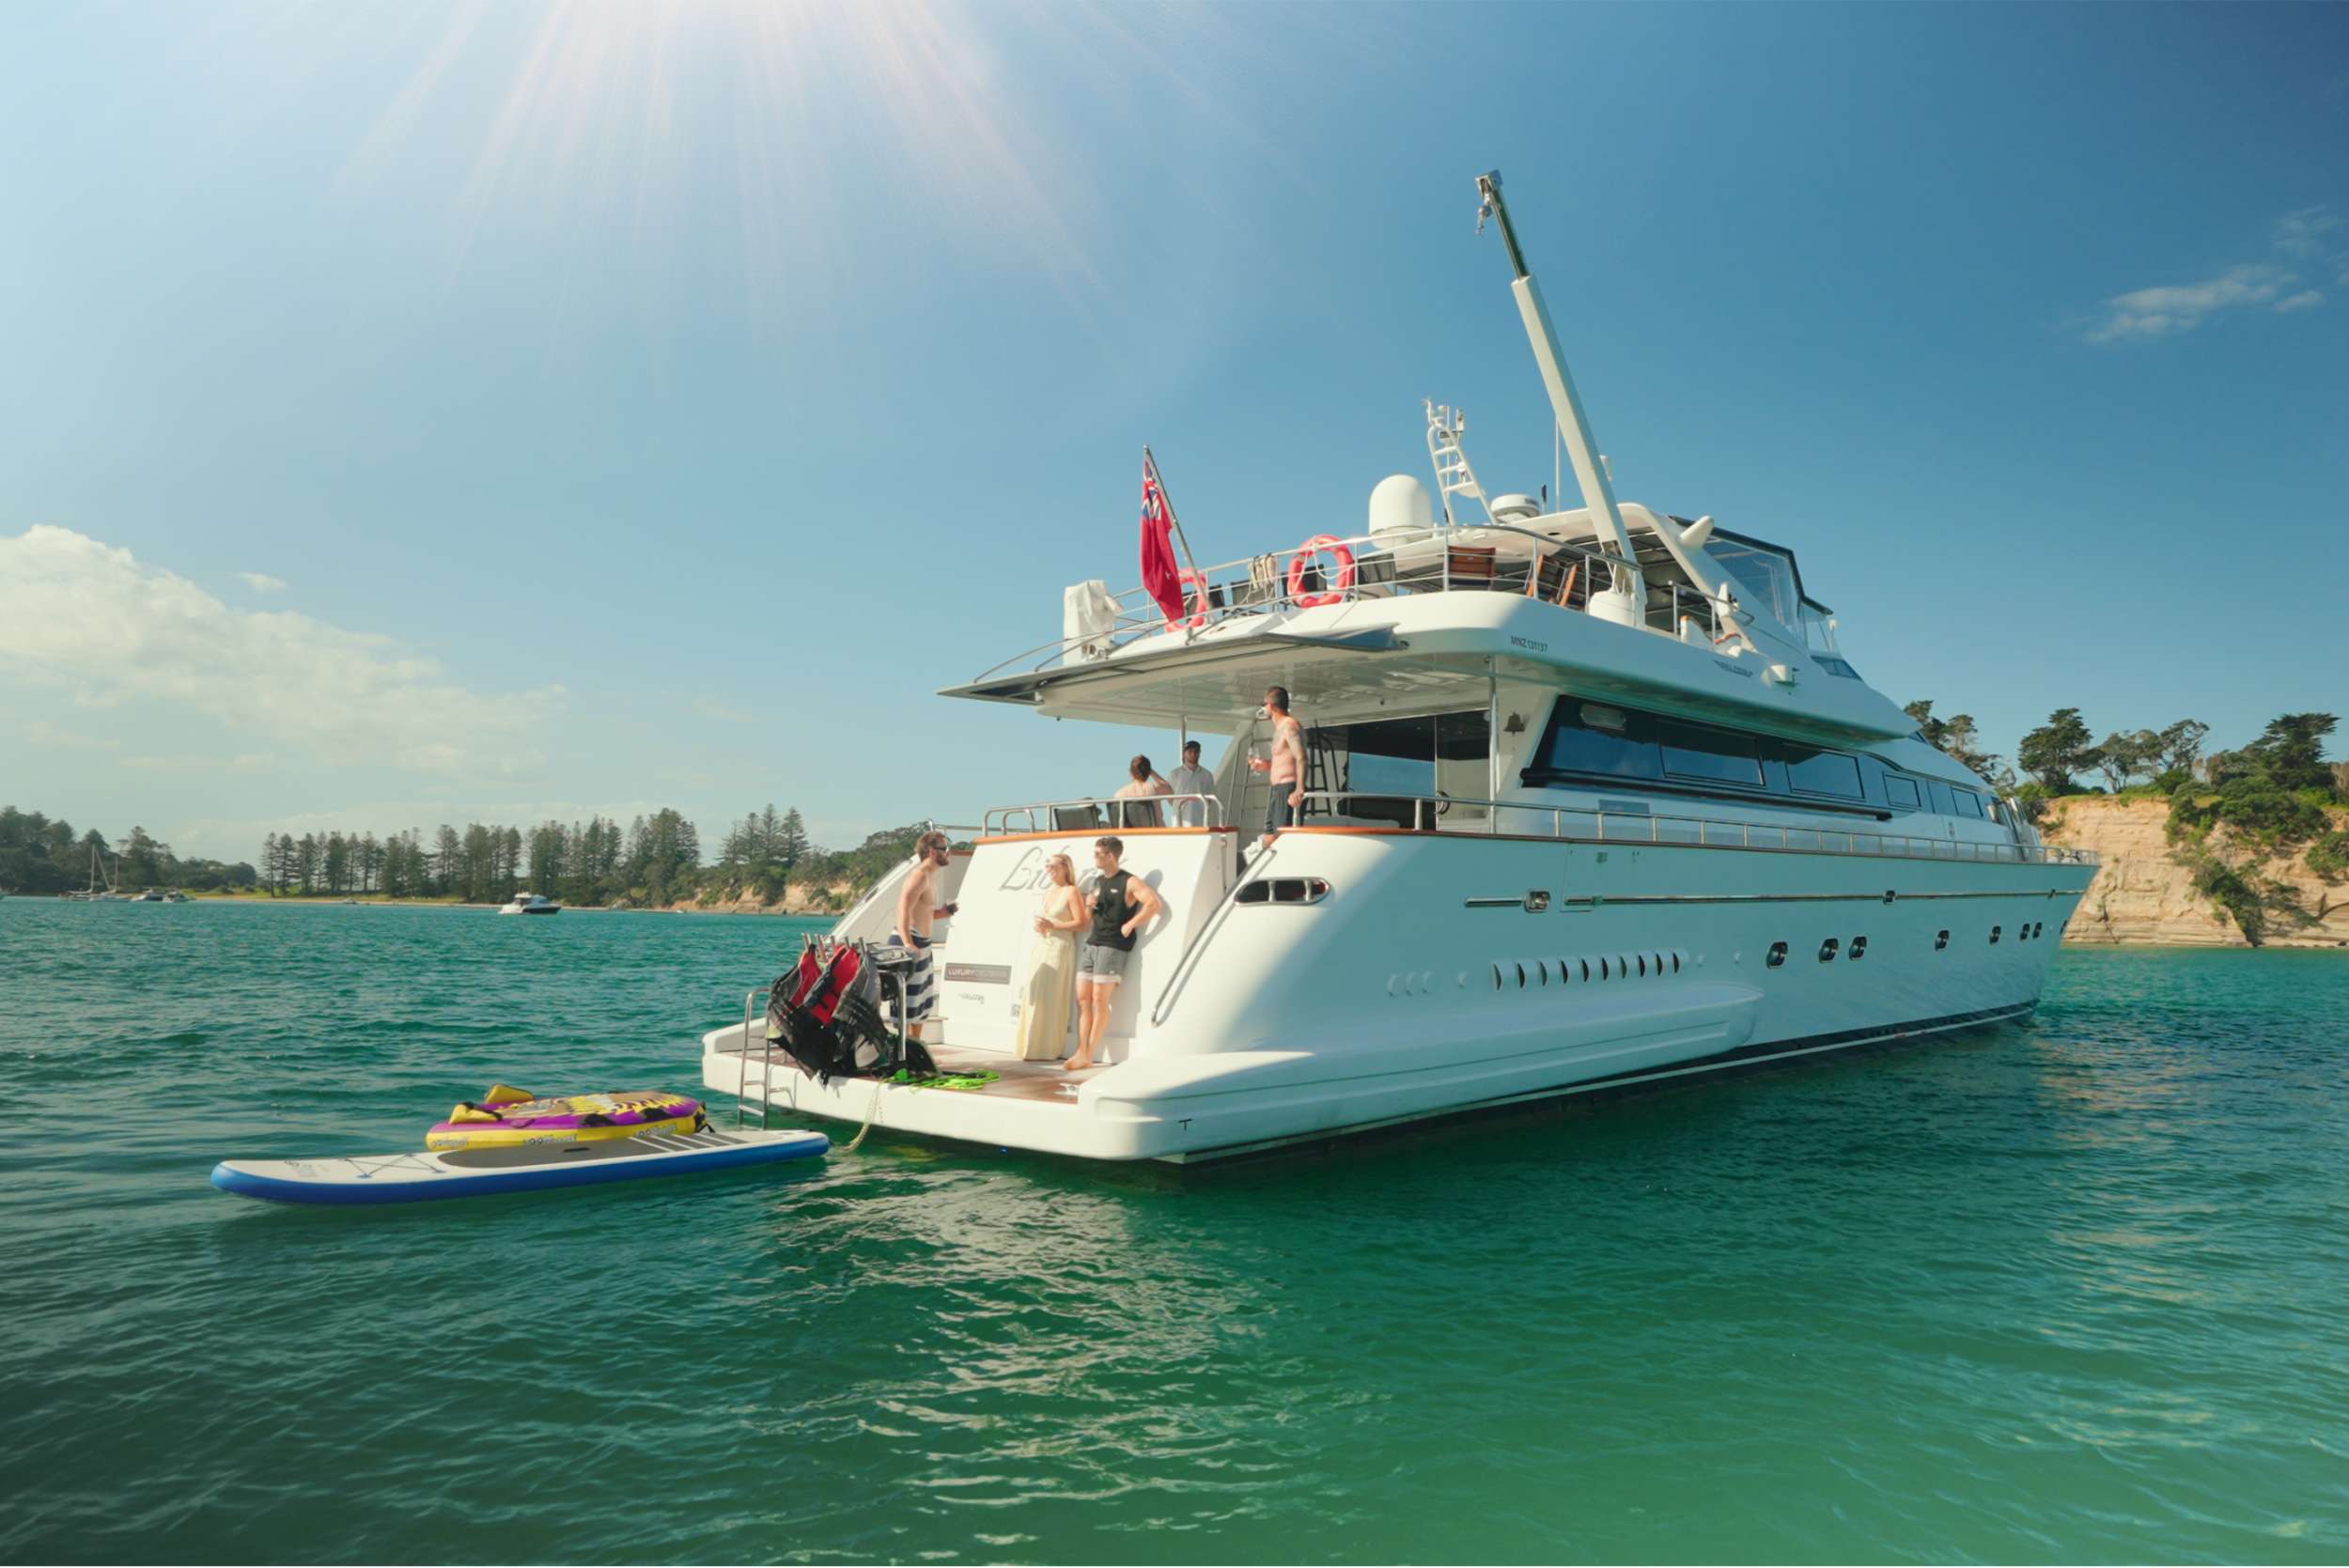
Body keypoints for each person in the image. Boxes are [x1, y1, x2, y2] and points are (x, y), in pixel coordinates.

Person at [1067, 835, 1163, 1072]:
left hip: (1113, 946)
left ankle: (1088, 1054)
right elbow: (1089, 920)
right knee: (1083, 1000)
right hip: (1092, 943)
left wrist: (1131, 924)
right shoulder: (1098, 881)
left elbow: (1153, 904)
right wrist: (1089, 905)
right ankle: (1081, 1051)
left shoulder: (1129, 881)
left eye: (1097, 854)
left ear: (1110, 855)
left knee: (1100, 1000)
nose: (1094, 857)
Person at [1013, 853, 1083, 1061]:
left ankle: (1046, 1049)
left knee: (1051, 996)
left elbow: (1081, 923)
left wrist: (1054, 925)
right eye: (1047, 866)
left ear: (1065, 867)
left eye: (1053, 866)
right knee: (1035, 995)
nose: (1049, 869)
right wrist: (1042, 926)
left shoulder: (1071, 891)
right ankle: (1029, 1046)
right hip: (1042, 945)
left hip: (1060, 948)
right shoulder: (1047, 892)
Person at [891, 830, 959, 1043]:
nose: (948, 852)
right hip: (911, 942)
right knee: (907, 1002)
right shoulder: (919, 876)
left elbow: (924, 911)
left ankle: (915, 1047)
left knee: (921, 1002)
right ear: (932, 852)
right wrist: (908, 943)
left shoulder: (930, 876)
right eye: (944, 849)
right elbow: (902, 908)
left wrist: (944, 913)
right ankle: (902, 1051)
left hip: (923, 943)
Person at [1245, 685, 1306, 850]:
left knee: (1282, 840)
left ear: (1271, 706)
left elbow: (1301, 757)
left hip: (1287, 789)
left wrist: (1299, 789)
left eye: (1263, 704)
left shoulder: (1289, 726)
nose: (1263, 708)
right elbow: (1285, 761)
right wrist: (1265, 765)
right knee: (1269, 837)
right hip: (1277, 789)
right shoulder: (1280, 728)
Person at [1111, 753, 1173, 829]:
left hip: (1132, 834)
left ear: (1130, 772)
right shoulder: (1154, 789)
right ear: (1148, 773)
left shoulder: (1119, 794)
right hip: (1156, 833)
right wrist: (1152, 772)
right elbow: (1170, 791)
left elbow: (1116, 823)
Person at [1169, 739, 1216, 828]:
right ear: (1184, 753)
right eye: (1190, 751)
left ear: (1199, 753)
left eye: (1196, 751)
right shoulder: (1174, 774)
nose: (1193, 754)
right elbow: (1170, 799)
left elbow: (1210, 799)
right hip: (1179, 822)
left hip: (1200, 822)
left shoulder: (1207, 775)